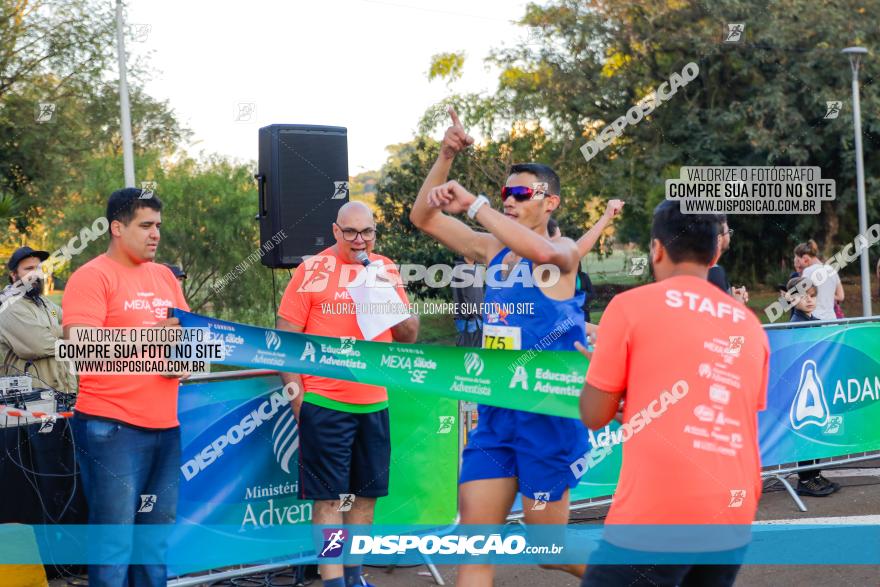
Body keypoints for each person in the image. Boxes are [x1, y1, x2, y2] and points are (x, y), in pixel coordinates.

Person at [409, 107, 588, 584]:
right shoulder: (493, 250)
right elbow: (422, 216)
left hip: (547, 414)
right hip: (495, 413)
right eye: (506, 192)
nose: (509, 200)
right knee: (474, 547)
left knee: (547, 549)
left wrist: (474, 203)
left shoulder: (563, 254)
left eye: (520, 193)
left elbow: (545, 253)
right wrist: (446, 156)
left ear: (550, 203)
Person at [577, 202, 770, 587]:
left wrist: (604, 369)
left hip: (659, 509)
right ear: (715, 251)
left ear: (657, 249)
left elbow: (593, 414)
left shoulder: (629, 306)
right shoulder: (749, 325)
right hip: (732, 508)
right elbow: (729, 407)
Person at [276, 201, 419, 587]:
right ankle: (334, 582)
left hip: (374, 404)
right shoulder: (312, 270)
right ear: (336, 232)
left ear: (375, 233)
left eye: (367, 232)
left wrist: (390, 295)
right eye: (351, 232)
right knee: (328, 502)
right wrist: (297, 400)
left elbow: (409, 335)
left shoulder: (385, 268)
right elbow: (284, 340)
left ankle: (355, 578)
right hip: (324, 404)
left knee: (365, 501)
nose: (360, 240)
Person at [62, 188, 189, 586]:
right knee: (113, 543)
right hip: (110, 427)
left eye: (158, 226)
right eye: (145, 225)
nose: (155, 235)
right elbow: (80, 346)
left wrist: (182, 361)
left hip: (165, 426)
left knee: (154, 543)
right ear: (117, 228)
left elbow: (185, 344)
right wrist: (152, 336)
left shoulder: (165, 276)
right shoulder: (91, 276)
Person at [785, 276, 841, 497]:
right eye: (802, 296)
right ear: (791, 300)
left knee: (817, 429)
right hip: (802, 389)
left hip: (816, 385)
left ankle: (816, 474)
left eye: (812, 296)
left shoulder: (815, 320)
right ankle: (805, 479)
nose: (809, 300)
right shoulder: (795, 325)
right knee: (806, 431)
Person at [0, 246, 76, 393]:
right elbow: (39, 345)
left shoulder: (43, 302)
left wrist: (52, 331)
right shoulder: (9, 306)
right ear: (14, 275)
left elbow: (72, 320)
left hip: (63, 393)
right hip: (30, 399)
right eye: (28, 269)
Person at [795, 239, 844, 321]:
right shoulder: (831, 269)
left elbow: (801, 295)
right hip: (832, 320)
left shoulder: (808, 272)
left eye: (799, 261)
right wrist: (827, 294)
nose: (799, 264)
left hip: (815, 320)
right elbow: (841, 297)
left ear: (805, 258)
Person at [708, 215, 748, 303]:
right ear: (718, 239)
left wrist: (731, 297)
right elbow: (721, 314)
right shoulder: (715, 274)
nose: (730, 236)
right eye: (728, 232)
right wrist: (737, 304)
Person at [452, 256, 484, 347]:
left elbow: (478, 293)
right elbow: (459, 295)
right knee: (467, 353)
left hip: (478, 318)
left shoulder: (476, 267)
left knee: (479, 353)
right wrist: (470, 316)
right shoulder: (459, 269)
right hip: (468, 319)